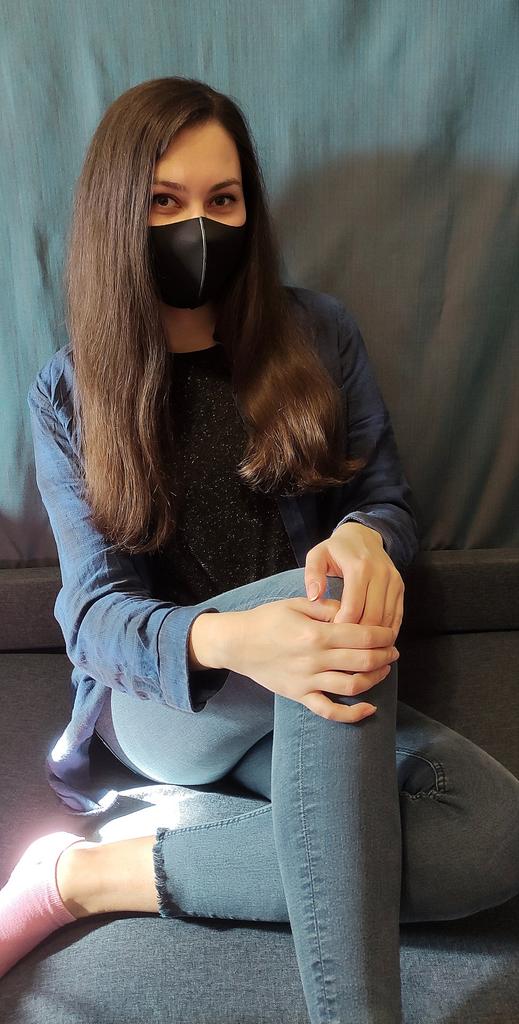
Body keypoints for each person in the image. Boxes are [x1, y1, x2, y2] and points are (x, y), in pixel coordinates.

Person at [2, 77, 519, 1024]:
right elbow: (93, 617)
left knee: (488, 835)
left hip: (304, 691)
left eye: (222, 199)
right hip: (168, 702)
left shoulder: (318, 334)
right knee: (320, 609)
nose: (197, 226)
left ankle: (85, 877)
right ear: (118, 212)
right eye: (165, 201)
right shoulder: (70, 391)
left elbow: (383, 500)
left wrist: (364, 538)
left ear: (250, 208)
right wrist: (236, 640)